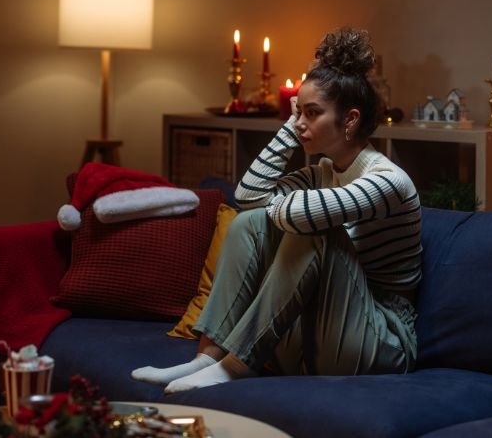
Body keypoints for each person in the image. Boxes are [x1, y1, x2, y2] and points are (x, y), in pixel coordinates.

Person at [131, 27, 422, 394]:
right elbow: (247, 196)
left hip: (380, 343)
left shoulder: (387, 181)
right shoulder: (322, 173)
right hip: (320, 331)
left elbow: (297, 217)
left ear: (350, 120)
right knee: (248, 221)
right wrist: (294, 125)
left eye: (312, 113)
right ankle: (208, 357)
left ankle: (235, 366)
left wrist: (285, 207)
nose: (300, 123)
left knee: (313, 230)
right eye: (298, 112)